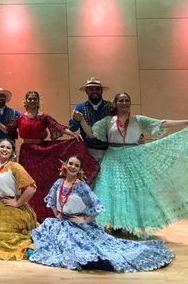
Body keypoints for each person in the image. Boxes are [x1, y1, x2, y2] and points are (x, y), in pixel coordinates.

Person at [29, 155, 174, 272]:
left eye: (76, 165)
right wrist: (57, 213)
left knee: (85, 249)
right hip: (61, 222)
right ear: (65, 165)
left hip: (77, 225)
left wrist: (84, 220)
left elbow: (97, 207)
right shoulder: (58, 183)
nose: (72, 167)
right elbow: (52, 200)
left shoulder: (81, 186)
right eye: (70, 163)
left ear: (79, 170)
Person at [77, 91, 188, 238]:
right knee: (114, 192)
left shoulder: (138, 120)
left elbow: (162, 123)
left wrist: (185, 122)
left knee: (133, 192)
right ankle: (115, 225)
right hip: (113, 158)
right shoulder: (108, 121)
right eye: (121, 101)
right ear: (115, 104)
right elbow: (91, 134)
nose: (124, 103)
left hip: (134, 157)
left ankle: (130, 224)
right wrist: (81, 120)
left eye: (126, 100)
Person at [6, 90, 99, 222]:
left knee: (42, 183)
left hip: (41, 152)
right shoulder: (19, 118)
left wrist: (72, 134)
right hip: (26, 152)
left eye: (34, 99)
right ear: (26, 101)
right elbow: (7, 130)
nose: (32, 101)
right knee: (27, 183)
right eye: (30, 99)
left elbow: (58, 127)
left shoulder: (44, 117)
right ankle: (28, 214)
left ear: (38, 101)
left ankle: (43, 213)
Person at [68, 77, 113, 163]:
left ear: (102, 91)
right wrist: (76, 120)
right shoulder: (80, 107)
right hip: (87, 150)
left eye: (97, 89)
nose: (94, 91)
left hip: (108, 151)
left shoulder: (110, 106)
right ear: (86, 91)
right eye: (91, 89)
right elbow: (72, 129)